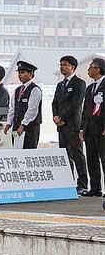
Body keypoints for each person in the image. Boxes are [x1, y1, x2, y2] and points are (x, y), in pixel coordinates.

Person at [51, 55, 88, 195]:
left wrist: (62, 117)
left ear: (73, 67)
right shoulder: (60, 84)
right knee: (65, 155)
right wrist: (55, 116)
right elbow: (54, 102)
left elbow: (76, 104)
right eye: (60, 64)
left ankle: (83, 184)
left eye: (65, 64)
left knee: (77, 154)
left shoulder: (79, 83)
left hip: (73, 125)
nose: (62, 67)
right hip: (61, 126)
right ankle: (67, 183)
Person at [79, 58, 105, 197]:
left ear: (98, 69)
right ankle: (95, 188)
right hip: (90, 130)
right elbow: (86, 110)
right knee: (92, 159)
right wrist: (82, 128)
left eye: (91, 67)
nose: (89, 70)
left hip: (102, 130)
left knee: (104, 159)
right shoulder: (90, 88)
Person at [3, 61, 42, 149]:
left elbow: (32, 110)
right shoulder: (17, 90)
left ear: (31, 74)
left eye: (23, 73)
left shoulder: (35, 90)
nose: (20, 75)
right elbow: (12, 108)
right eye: (19, 73)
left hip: (30, 128)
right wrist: (9, 123)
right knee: (17, 152)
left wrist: (23, 125)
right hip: (17, 126)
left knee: (28, 151)